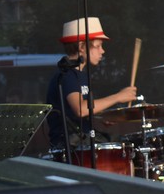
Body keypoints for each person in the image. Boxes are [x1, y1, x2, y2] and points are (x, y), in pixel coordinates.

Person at [45, 17, 139, 148]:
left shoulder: (81, 75)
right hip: (71, 146)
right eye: (98, 46)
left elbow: (75, 114)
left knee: (127, 144)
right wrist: (118, 97)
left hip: (82, 139)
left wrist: (103, 117)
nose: (102, 51)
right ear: (81, 47)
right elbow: (81, 109)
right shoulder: (68, 76)